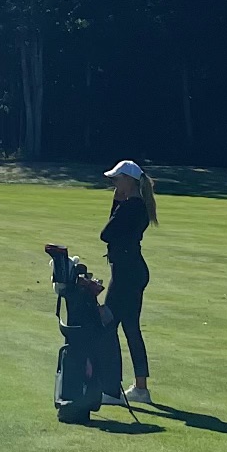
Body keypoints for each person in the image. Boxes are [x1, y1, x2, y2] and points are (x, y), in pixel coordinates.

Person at [99, 158, 157, 406]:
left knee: (108, 324)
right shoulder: (137, 204)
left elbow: (106, 233)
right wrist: (117, 201)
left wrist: (116, 202)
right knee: (130, 328)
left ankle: (112, 390)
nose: (114, 183)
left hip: (126, 273)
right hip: (132, 270)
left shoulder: (130, 207)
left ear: (128, 181)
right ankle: (141, 389)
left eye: (116, 179)